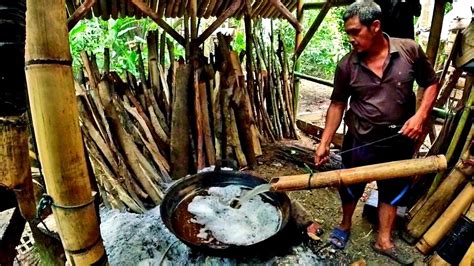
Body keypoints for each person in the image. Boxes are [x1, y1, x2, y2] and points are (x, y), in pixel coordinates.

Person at [313, 1, 438, 264]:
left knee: (393, 190)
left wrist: (421, 115)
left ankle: (384, 239)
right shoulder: (347, 65)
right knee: (350, 186)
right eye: (348, 32)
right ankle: (345, 225)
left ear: (376, 26)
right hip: (360, 139)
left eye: (355, 32)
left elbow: (431, 83)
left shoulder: (409, 50)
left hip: (401, 140)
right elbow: (337, 105)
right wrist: (324, 142)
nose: (351, 39)